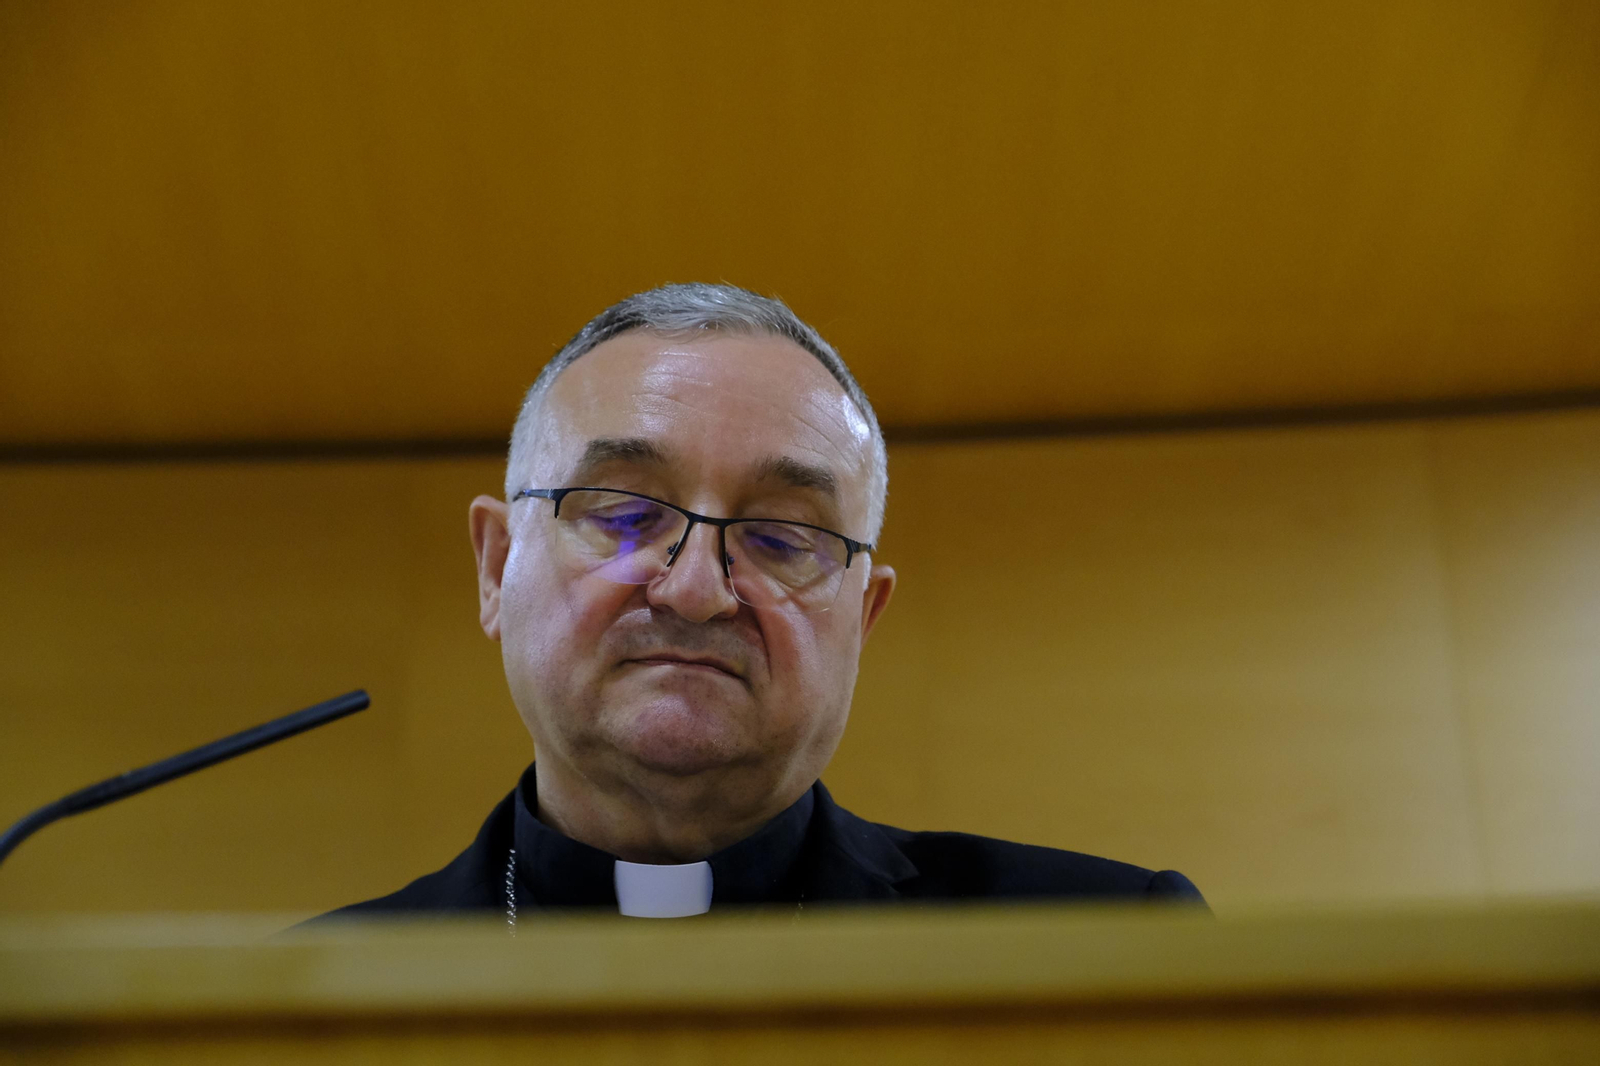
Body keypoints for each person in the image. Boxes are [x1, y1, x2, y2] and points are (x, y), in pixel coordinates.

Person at [323, 283, 1203, 923]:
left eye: (782, 538)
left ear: (863, 620)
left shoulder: (1102, 943)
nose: (697, 589)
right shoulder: (296, 1014)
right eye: (626, 516)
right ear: (496, 566)